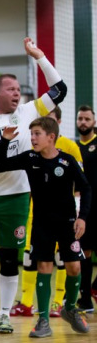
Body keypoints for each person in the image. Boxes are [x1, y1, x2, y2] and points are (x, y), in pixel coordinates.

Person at [0, 37, 66, 334]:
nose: (17, 94)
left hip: (16, 198)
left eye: (19, 90)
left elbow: (60, 90)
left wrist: (39, 56)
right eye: (11, 89)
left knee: (9, 258)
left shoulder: (30, 111)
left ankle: (5, 315)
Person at [0, 117, 90, 337]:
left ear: (51, 137)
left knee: (75, 268)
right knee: (44, 268)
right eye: (32, 133)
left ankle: (71, 308)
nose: (33, 138)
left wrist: (82, 217)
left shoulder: (67, 161)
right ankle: (43, 320)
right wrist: (5, 141)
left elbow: (86, 188)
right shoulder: (30, 158)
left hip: (67, 225)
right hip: (42, 226)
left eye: (37, 134)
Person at [11, 106, 83, 318]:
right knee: (31, 259)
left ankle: (59, 303)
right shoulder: (31, 149)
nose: (36, 134)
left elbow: (80, 186)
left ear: (57, 125)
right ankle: (27, 303)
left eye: (48, 121)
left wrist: (78, 215)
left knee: (64, 260)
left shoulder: (69, 149)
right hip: (36, 213)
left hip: (64, 215)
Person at [76, 105, 97, 311]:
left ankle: (95, 287)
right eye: (80, 119)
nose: (83, 122)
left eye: (87, 119)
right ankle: (85, 300)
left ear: (94, 122)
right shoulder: (74, 148)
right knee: (85, 253)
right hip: (84, 210)